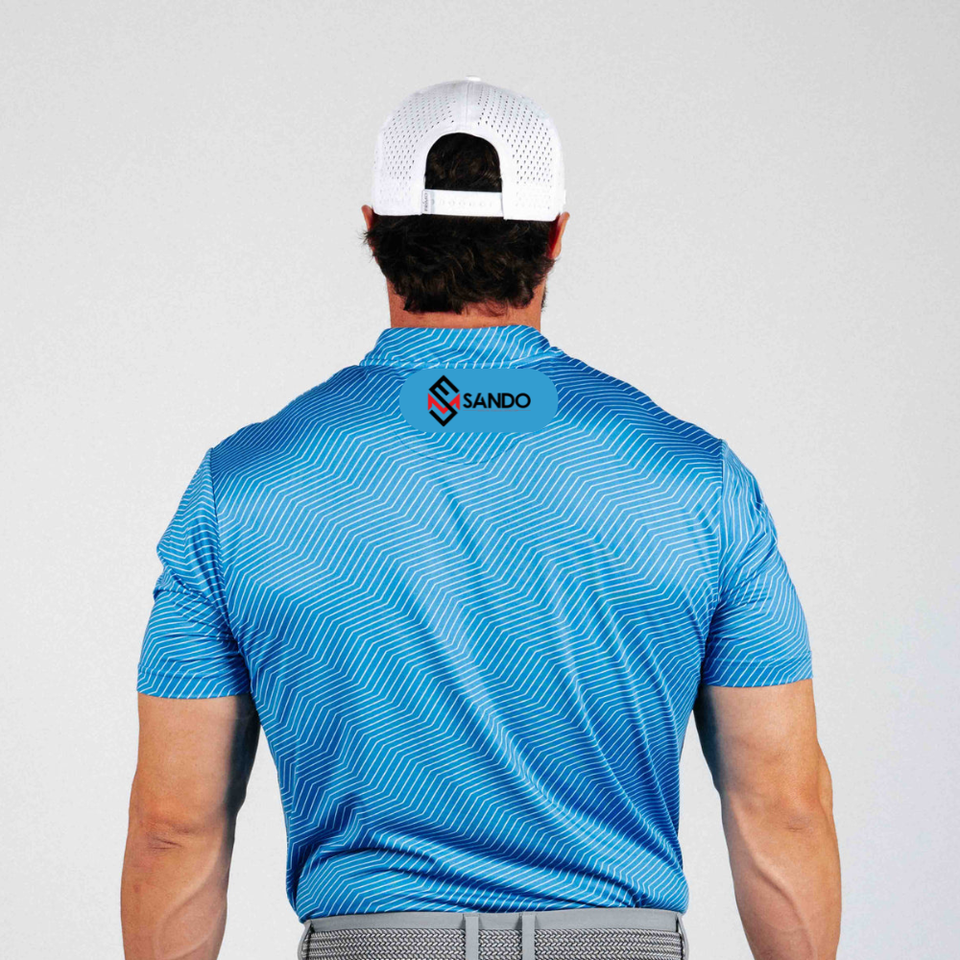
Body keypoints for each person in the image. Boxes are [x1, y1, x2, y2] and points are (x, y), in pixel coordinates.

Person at [121, 78, 841, 960]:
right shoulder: (698, 485)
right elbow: (785, 811)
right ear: (556, 236)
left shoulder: (241, 492)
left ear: (375, 233)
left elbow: (172, 830)